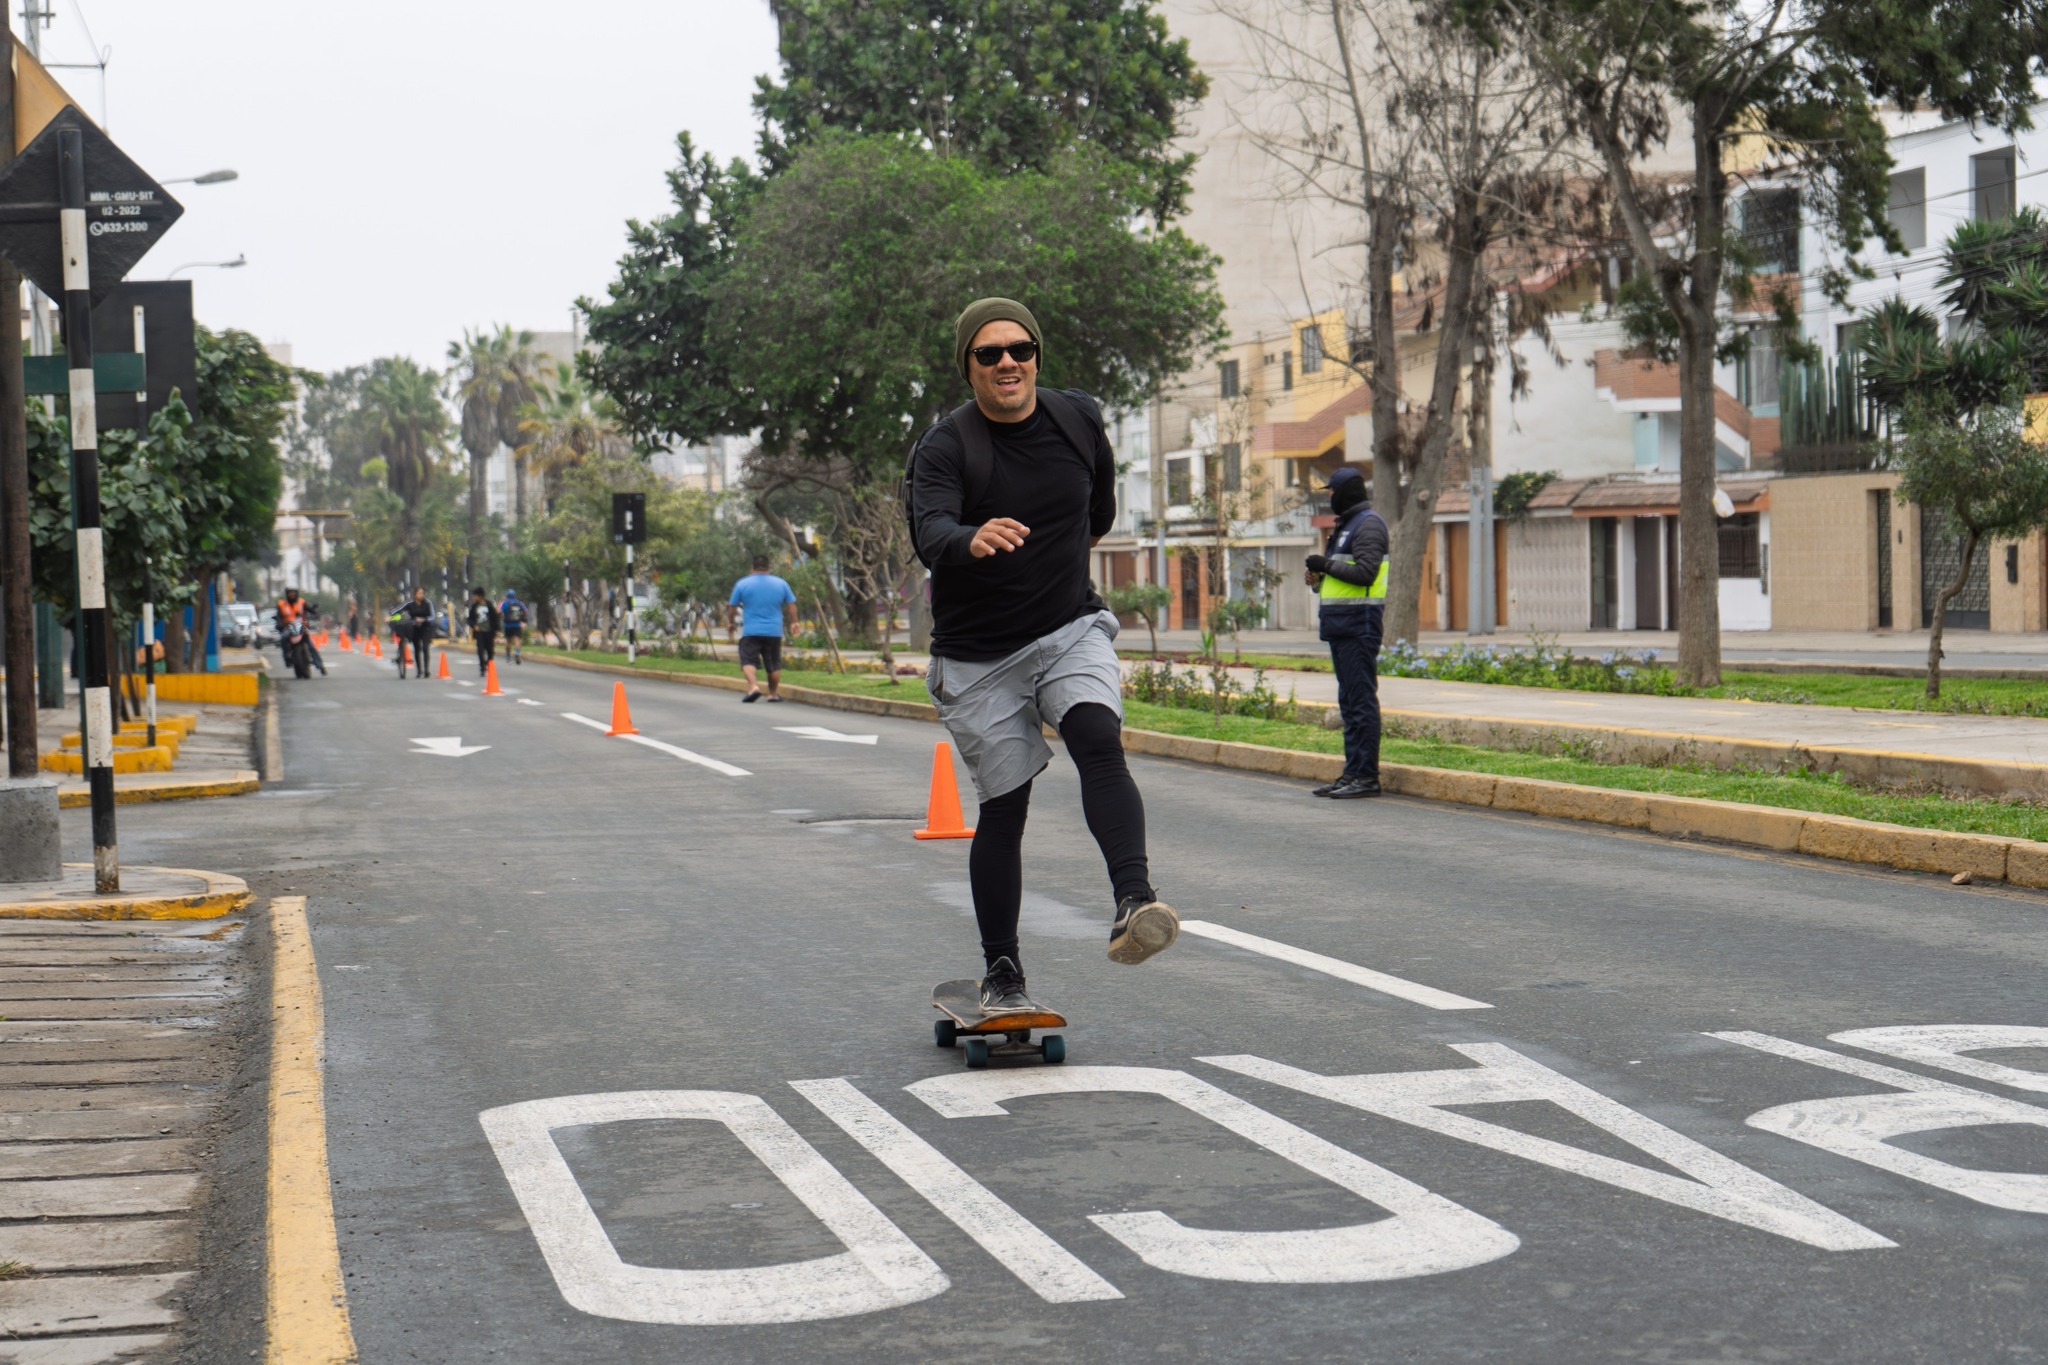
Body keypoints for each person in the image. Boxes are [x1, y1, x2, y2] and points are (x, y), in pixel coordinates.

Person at [909, 296, 1178, 1017]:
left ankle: (1134, 900)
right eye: (989, 353)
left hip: (1067, 628)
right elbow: (930, 530)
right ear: (967, 365)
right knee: (1007, 806)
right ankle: (1003, 971)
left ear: (1037, 357)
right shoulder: (946, 447)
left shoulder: (1077, 418)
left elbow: (1100, 513)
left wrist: (1052, 581)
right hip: (976, 657)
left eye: (1020, 349)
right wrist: (971, 539)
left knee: (1098, 735)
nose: (1007, 363)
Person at [1305, 467, 1388, 798]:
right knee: (1349, 703)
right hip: (1340, 625)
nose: (1329, 498)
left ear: (1347, 492)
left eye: (1331, 492)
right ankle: (1351, 772)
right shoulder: (1345, 526)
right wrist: (1318, 580)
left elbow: (1366, 573)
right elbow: (1340, 575)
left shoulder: (1368, 524)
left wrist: (1325, 566)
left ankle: (1367, 776)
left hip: (1359, 625)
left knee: (1361, 702)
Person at [727, 555, 797, 703]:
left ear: (752, 568)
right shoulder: (781, 583)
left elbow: (732, 607)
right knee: (773, 664)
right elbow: (791, 604)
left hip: (751, 631)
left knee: (747, 661)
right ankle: (772, 694)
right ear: (768, 567)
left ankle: (753, 687)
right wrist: (794, 622)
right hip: (774, 631)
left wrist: (731, 623)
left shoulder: (742, 584)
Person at [273, 588, 327, 676]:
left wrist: (316, 613)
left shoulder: (301, 602)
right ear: (287, 594)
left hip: (301, 626)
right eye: (290, 592)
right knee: (283, 638)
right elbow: (278, 616)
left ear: (296, 593)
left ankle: (320, 666)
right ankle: (287, 658)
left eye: (293, 592)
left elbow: (310, 609)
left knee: (311, 645)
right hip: (288, 627)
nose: (292, 594)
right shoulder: (281, 604)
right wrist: (279, 624)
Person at [392, 587, 435, 679]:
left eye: (422, 593)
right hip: (414, 628)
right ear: (415, 594)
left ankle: (426, 670)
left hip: (426, 628)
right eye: (419, 593)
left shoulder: (428, 603)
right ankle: (419, 671)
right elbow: (398, 611)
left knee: (425, 648)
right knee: (417, 649)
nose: (421, 595)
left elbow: (432, 616)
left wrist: (423, 619)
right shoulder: (410, 604)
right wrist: (392, 615)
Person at [466, 587, 500, 677]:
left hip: (489, 631)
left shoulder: (489, 605)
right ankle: (482, 668)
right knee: (480, 650)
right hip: (479, 632)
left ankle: (489, 665)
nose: (474, 597)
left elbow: (495, 618)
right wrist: (474, 626)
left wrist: (497, 630)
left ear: (480, 596)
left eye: (475, 596)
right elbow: (470, 619)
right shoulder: (474, 607)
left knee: (490, 651)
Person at [499, 590, 528, 664]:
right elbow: (525, 610)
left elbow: (499, 612)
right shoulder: (519, 603)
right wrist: (521, 616)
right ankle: (517, 652)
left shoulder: (505, 603)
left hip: (507, 625)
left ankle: (508, 656)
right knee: (517, 639)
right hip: (517, 624)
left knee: (508, 641)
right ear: (515, 595)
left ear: (507, 596)